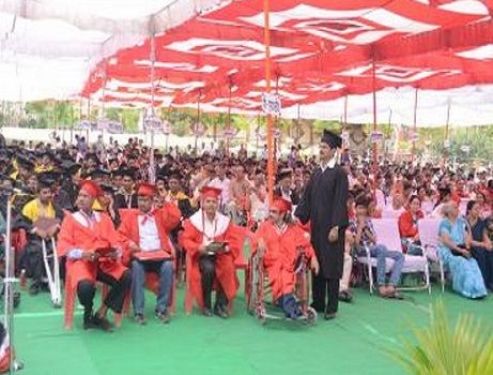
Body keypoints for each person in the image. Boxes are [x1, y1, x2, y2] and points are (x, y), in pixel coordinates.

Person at [57, 180, 131, 331]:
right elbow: (64, 247)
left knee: (126, 276)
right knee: (85, 287)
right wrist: (82, 253)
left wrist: (115, 251)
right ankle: (88, 312)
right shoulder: (70, 220)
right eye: (79, 195)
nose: (81, 199)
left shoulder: (104, 218)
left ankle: (102, 312)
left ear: (92, 200)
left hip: (103, 261)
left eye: (85, 196)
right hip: (81, 263)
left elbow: (116, 241)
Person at [295, 129, 349, 320]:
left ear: (334, 150)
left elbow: (340, 201)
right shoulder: (317, 173)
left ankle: (332, 306)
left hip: (332, 228)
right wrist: (298, 217)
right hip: (316, 227)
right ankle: (318, 302)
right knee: (317, 263)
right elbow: (306, 199)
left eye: (325, 147)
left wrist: (336, 226)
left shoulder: (339, 174)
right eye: (321, 147)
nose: (321, 150)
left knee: (332, 266)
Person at [118, 183, 181, 325]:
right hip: (140, 257)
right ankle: (138, 311)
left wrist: (165, 200)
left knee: (167, 266)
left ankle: (161, 308)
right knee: (136, 267)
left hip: (159, 256)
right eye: (140, 200)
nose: (142, 203)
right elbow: (120, 236)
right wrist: (130, 244)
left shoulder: (159, 215)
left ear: (152, 201)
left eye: (146, 200)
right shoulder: (130, 217)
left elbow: (176, 217)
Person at [180, 186, 247, 318]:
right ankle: (206, 304)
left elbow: (233, 240)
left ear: (218, 204)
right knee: (209, 269)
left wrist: (225, 247)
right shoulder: (195, 221)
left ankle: (220, 305)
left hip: (220, 254)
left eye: (214, 202)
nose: (211, 205)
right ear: (203, 204)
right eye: (208, 201)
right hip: (202, 255)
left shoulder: (224, 221)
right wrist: (198, 247)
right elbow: (186, 240)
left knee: (228, 267)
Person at [255, 198, 319, 319]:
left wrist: (314, 258)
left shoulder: (293, 229)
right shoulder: (265, 227)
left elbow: (305, 245)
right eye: (270, 211)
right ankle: (290, 306)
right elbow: (257, 237)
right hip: (271, 261)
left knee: (284, 273)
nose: (270, 214)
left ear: (283, 214)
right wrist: (260, 241)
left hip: (288, 264)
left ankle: (286, 302)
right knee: (283, 272)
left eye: (274, 212)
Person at [351, 196, 405, 298]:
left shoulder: (368, 221)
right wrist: (359, 227)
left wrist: (365, 228)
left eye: (363, 208)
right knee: (381, 248)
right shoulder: (352, 222)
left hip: (373, 248)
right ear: (355, 209)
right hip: (362, 249)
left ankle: (392, 286)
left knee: (399, 256)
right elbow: (356, 244)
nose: (362, 211)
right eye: (359, 208)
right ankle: (381, 285)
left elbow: (374, 239)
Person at [437, 202, 487, 299]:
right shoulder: (445, 223)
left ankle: (478, 289)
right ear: (449, 211)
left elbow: (467, 239)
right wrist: (460, 250)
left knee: (473, 262)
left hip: (460, 249)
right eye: (455, 207)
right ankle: (467, 289)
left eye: (457, 207)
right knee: (462, 262)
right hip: (448, 251)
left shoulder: (460, 222)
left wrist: (468, 228)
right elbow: (447, 241)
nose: (458, 209)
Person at [466, 200, 493, 291]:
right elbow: (468, 241)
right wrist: (483, 244)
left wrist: (488, 244)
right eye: (475, 209)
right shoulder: (464, 222)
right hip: (468, 246)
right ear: (469, 210)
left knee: (490, 251)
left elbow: (484, 236)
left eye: (479, 209)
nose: (478, 211)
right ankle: (483, 282)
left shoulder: (481, 222)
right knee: (481, 252)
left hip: (480, 245)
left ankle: (490, 282)